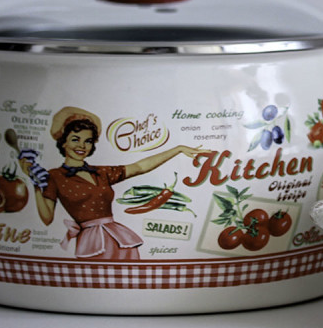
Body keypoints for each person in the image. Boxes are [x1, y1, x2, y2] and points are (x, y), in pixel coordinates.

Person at [20, 106, 206, 261]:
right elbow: (47, 218)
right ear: (64, 143)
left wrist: (177, 149)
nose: (82, 146)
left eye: (88, 141)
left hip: (119, 238)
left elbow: (140, 167)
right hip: (92, 241)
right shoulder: (54, 176)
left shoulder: (101, 172)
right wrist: (35, 183)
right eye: (75, 139)